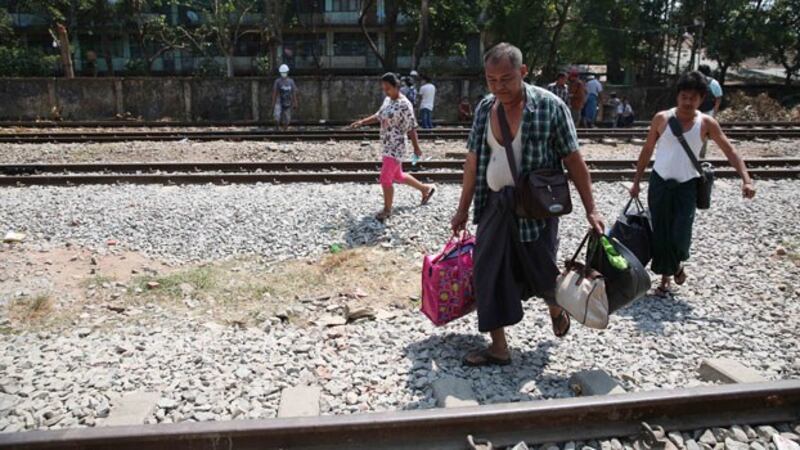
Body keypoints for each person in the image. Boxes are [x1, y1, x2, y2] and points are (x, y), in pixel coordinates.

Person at [450, 43, 605, 366]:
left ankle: (555, 305)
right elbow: (473, 161)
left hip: (536, 207)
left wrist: (592, 208)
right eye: (491, 80)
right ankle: (498, 347)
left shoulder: (550, 107)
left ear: (523, 72)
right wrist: (463, 208)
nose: (499, 87)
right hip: (495, 203)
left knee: (542, 269)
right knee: (487, 271)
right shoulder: (484, 109)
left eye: (506, 79)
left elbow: (574, 160)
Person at [629, 71, 755, 297]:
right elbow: (647, 150)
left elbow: (729, 149)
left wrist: (746, 178)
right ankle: (666, 278)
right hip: (659, 183)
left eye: (693, 98)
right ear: (677, 96)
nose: (688, 102)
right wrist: (636, 181)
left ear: (701, 99)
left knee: (680, 234)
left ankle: (676, 264)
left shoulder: (706, 123)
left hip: (687, 186)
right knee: (661, 232)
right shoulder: (662, 119)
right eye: (684, 96)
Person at [349, 73, 436, 221]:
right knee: (398, 176)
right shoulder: (388, 100)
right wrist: (361, 122)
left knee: (385, 178)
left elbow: (411, 128)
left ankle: (387, 210)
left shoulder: (405, 105)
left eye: (388, 88)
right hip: (386, 144)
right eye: (384, 89)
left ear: (397, 87)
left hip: (396, 147)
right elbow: (379, 116)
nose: (386, 91)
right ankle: (425, 189)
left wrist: (416, 147)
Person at [698, 64, 723, 158]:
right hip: (708, 111)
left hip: (694, 110)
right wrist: (715, 112)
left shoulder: (694, 81)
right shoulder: (714, 82)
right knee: (704, 133)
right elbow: (719, 97)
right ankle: (701, 154)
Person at [272, 64, 298, 130]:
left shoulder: (291, 82)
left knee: (287, 119)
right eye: (282, 73)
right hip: (279, 101)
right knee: (276, 116)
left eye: (285, 72)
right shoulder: (277, 81)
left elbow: (293, 92)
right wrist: (273, 103)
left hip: (287, 102)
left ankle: (284, 131)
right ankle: (277, 129)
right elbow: (275, 92)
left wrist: (295, 102)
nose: (284, 74)